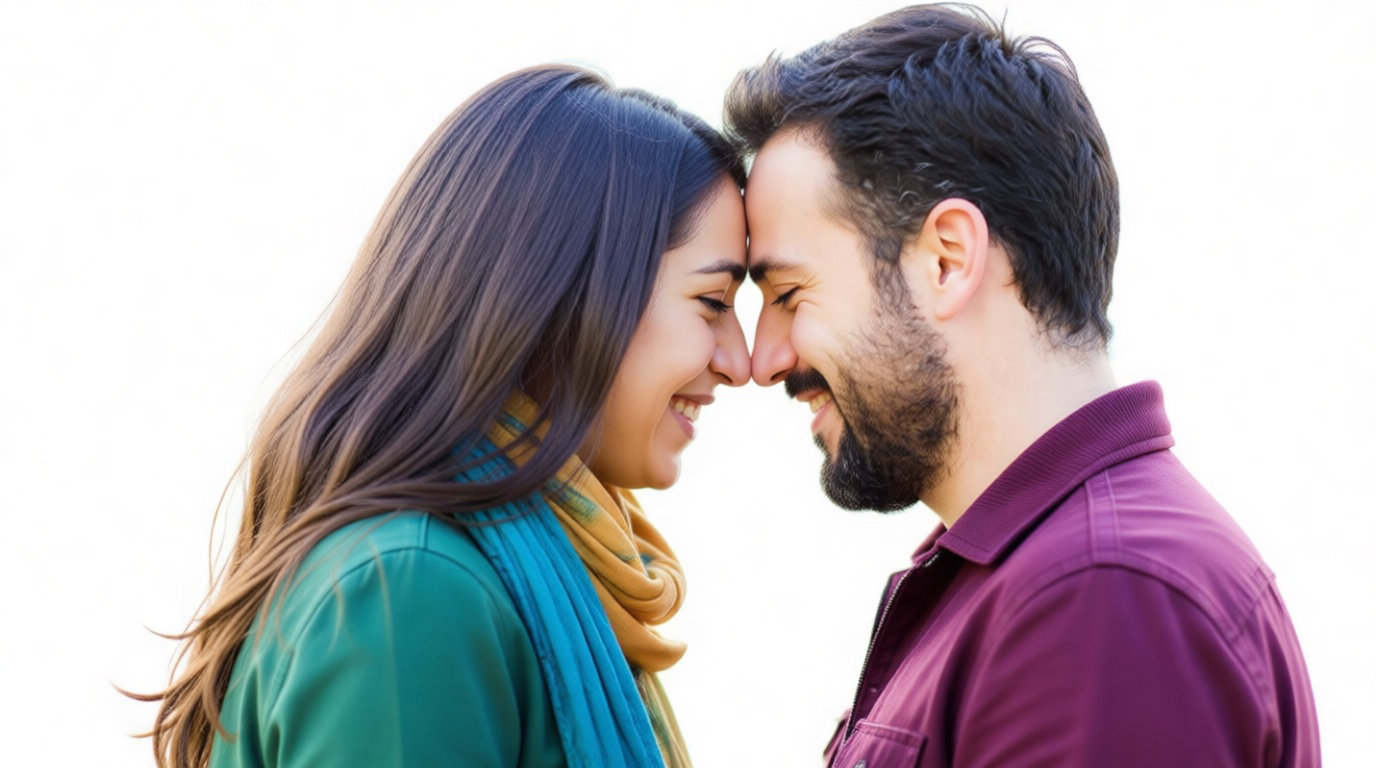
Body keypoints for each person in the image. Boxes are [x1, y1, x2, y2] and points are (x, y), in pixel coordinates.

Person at [724, 4, 1319, 766]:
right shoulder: (1038, 577)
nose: (762, 358)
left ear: (947, 259)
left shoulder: (1103, 597)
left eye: (789, 294)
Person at [135, 65, 750, 767]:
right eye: (713, 302)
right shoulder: (408, 595)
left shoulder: (504, 578)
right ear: (566, 297)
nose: (741, 360)